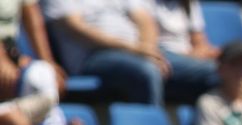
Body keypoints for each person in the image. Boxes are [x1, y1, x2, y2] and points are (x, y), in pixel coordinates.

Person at [43, 0, 171, 106]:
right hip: (93, 56)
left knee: (188, 70)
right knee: (148, 71)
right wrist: (135, 50)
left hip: (139, 51)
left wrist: (148, 51)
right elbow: (76, 28)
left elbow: (144, 19)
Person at [148, 0, 220, 102]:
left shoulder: (190, 3)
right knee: (221, 72)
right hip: (163, 55)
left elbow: (200, 43)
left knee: (235, 68)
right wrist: (190, 55)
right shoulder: (146, 3)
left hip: (189, 57)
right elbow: (149, 42)